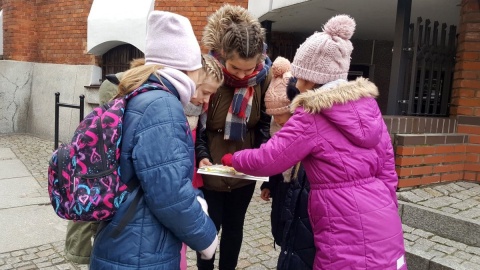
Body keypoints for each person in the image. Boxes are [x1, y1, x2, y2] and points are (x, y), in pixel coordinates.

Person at [222, 14, 407, 269]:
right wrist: (384, 205)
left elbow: (270, 158)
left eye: (297, 77)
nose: (296, 84)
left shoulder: (312, 115)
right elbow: (387, 169)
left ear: (309, 78)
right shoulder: (369, 109)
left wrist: (234, 159)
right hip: (382, 217)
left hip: (340, 219)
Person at [89, 11, 219, 269]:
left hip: (125, 238)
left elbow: (154, 175)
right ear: (189, 68)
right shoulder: (163, 106)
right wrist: (206, 237)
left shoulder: (140, 94)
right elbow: (169, 194)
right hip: (141, 250)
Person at [194, 4, 272, 270]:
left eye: (248, 70)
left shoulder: (262, 77)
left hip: (244, 169)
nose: (242, 76)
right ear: (223, 54)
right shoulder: (208, 72)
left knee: (234, 228)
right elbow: (198, 125)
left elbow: (263, 124)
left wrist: (264, 167)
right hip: (212, 167)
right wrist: (202, 156)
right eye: (235, 68)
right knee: (208, 229)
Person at [63, 57, 146, 265]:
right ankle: (82, 255)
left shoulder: (100, 122)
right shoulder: (105, 126)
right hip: (100, 206)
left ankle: (81, 254)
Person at [260, 56, 315, 269]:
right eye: (274, 116)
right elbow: (273, 160)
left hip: (298, 190)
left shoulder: (303, 131)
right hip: (281, 189)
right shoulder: (276, 130)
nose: (279, 120)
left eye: (283, 114)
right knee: (279, 225)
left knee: (293, 230)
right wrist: (268, 184)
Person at [180, 53, 224, 270]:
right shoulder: (172, 111)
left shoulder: (197, 111)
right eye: (205, 92)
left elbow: (198, 140)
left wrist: (202, 157)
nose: (207, 100)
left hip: (190, 183)